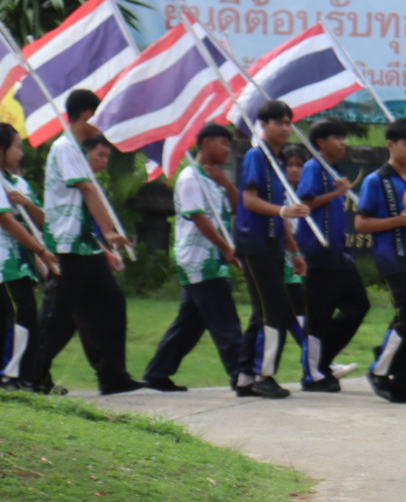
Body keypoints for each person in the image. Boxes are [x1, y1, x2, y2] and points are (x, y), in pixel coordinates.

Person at [29, 90, 141, 395]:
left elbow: (86, 199)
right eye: (100, 117)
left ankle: (113, 376)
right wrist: (109, 231)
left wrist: (102, 244)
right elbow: (88, 190)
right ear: (88, 115)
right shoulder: (65, 147)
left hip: (85, 246)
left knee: (110, 304)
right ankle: (31, 376)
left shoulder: (77, 149)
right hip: (66, 247)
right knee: (58, 317)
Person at [141, 123, 245, 392]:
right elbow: (199, 218)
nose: (227, 150)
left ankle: (157, 373)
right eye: (223, 143)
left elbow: (239, 208)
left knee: (190, 324)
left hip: (212, 258)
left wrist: (226, 183)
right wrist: (226, 248)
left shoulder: (214, 180)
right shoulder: (190, 178)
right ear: (207, 142)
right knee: (225, 320)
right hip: (200, 259)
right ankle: (242, 374)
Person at [233, 99, 310, 399]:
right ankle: (264, 375)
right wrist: (282, 211)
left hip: (272, 243)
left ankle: (244, 377)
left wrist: (294, 252)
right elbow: (249, 200)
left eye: (289, 123)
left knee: (261, 311)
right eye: (279, 122)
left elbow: (281, 216)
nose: (285, 128)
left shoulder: (278, 162)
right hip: (254, 242)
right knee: (274, 309)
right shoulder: (257, 156)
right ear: (263, 125)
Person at [355, 118, 406, 405]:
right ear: (391, 145)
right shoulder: (376, 180)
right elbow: (361, 223)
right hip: (392, 257)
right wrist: (397, 220)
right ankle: (380, 368)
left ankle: (403, 382)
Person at [296, 120, 368, 392]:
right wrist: (337, 193)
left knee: (358, 305)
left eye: (343, 137)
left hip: (338, 253)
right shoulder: (313, 167)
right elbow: (305, 202)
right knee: (318, 315)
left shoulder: (331, 170)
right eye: (337, 138)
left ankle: (323, 359)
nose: (343, 143)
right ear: (321, 142)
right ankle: (313, 375)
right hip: (318, 252)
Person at [0, 123, 57, 391]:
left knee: (26, 314)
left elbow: (43, 220)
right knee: (17, 313)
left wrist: (26, 203)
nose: (20, 154)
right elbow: (7, 221)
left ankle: (25, 374)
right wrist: (41, 251)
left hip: (20, 264)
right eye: (16, 147)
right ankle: (11, 374)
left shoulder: (18, 184)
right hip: (4, 264)